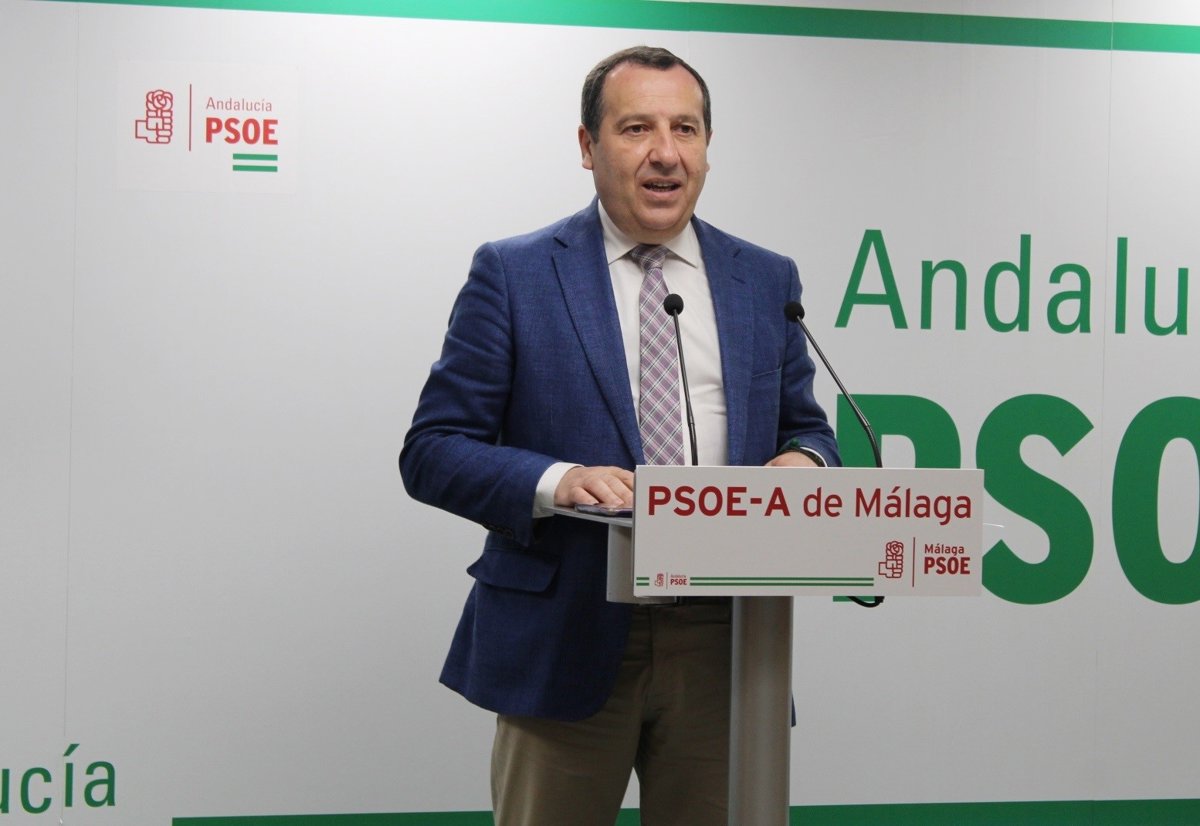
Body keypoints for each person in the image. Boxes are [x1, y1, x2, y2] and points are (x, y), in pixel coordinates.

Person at [400, 45, 838, 826]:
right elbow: (433, 450)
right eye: (637, 128)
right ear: (588, 145)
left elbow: (808, 429)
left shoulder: (765, 280)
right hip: (568, 630)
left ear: (708, 146)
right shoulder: (515, 273)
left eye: (685, 129)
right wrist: (557, 481)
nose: (665, 153)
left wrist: (804, 462)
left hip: (727, 637)